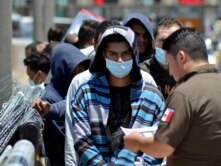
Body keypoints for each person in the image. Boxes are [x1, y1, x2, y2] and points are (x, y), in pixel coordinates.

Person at [124, 27, 221, 166]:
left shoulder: (182, 94)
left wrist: (136, 141)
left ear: (181, 57)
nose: (171, 73)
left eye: (170, 63)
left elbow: (162, 148)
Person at [68, 25, 166, 165]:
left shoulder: (152, 98)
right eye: (113, 54)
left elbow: (159, 142)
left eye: (126, 53)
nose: (120, 60)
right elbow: (83, 141)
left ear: (134, 54)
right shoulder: (85, 93)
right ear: (103, 55)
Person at [64, 19, 122, 166]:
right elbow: (73, 136)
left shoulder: (145, 82)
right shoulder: (81, 83)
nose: (115, 56)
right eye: (106, 46)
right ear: (95, 45)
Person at [32, 43, 91, 166]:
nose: (81, 73)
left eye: (83, 68)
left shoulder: (73, 90)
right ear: (63, 67)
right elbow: (63, 138)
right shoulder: (50, 98)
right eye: (77, 68)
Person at [140, 17, 183, 99]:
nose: (168, 46)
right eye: (163, 40)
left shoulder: (186, 74)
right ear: (153, 43)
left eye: (174, 40)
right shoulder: (142, 73)